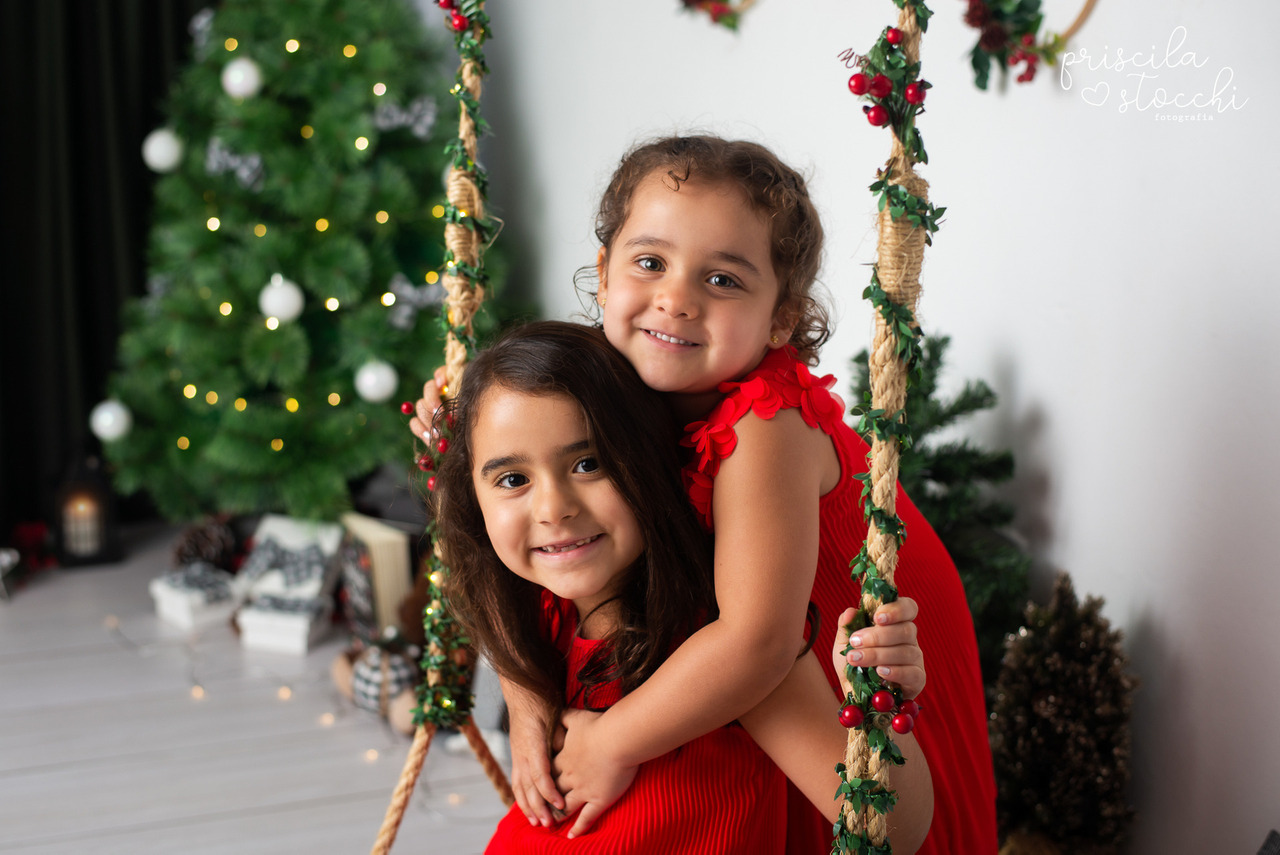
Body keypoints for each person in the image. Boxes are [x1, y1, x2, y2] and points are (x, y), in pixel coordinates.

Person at [412, 136, 995, 853]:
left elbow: (757, 639)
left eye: (722, 280)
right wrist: (524, 690)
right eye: (650, 262)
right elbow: (486, 537)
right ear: (603, 274)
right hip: (760, 661)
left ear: (782, 317)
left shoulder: (765, 425)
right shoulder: (622, 376)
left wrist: (614, 740)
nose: (676, 299)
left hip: (841, 659)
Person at [428, 321, 930, 853]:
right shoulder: (539, 608)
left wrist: (876, 704)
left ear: (653, 463)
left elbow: (895, 828)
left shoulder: (721, 649)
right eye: (512, 480)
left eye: (588, 464)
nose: (554, 509)